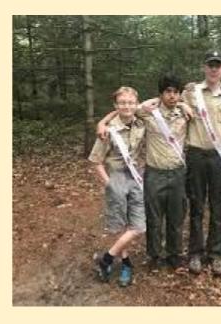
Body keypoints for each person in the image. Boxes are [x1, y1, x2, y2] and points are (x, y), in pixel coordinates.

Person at [97, 74, 190, 272]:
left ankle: (174, 254)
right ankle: (154, 255)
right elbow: (124, 110)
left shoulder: (186, 113)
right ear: (161, 94)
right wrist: (102, 123)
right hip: (154, 173)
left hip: (177, 173)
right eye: (168, 92)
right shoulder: (147, 113)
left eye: (176, 92)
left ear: (180, 95)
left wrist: (185, 106)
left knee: (176, 216)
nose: (172, 96)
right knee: (154, 217)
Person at [180, 51, 221, 276]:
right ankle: (195, 252)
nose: (214, 69)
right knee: (196, 204)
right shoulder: (190, 93)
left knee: (218, 206)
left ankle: (215, 253)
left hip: (218, 157)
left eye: (218, 66)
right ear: (204, 67)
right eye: (210, 65)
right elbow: (163, 102)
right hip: (195, 155)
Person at [89, 86, 146, 287]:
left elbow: (160, 101)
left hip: (137, 178)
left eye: (130, 102)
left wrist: (103, 119)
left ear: (136, 104)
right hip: (117, 179)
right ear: (116, 105)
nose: (126, 106)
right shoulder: (108, 131)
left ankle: (106, 259)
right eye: (122, 103)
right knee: (121, 225)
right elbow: (96, 161)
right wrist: (109, 184)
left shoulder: (141, 122)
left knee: (138, 226)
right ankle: (126, 264)